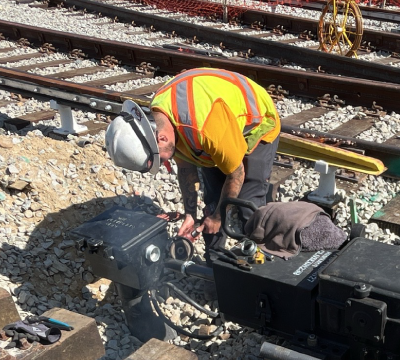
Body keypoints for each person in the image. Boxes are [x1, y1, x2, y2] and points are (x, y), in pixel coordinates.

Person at [104, 68, 281, 254]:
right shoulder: (159, 119)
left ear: (162, 139)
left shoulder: (205, 128)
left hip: (256, 122)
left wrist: (219, 217)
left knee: (247, 201)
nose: (166, 161)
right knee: (213, 200)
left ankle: (260, 262)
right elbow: (185, 168)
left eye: (161, 159)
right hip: (216, 130)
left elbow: (236, 174)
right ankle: (215, 264)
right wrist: (190, 214)